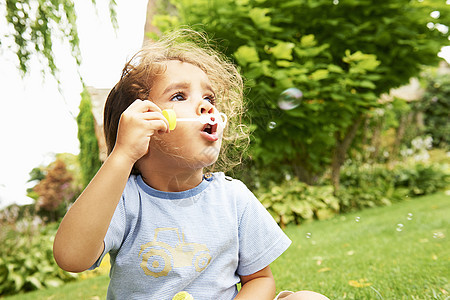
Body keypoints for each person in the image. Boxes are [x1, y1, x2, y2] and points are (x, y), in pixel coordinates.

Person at [53, 29, 329, 300]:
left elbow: (260, 279)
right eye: (179, 96)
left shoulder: (233, 198)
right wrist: (123, 155)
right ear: (143, 123)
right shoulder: (124, 200)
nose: (206, 106)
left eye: (209, 98)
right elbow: (71, 258)